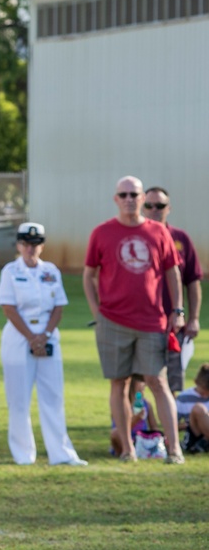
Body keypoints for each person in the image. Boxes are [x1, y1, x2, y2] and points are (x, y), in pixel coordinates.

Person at [83, 175, 185, 464]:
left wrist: (177, 309)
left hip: (152, 320)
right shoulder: (102, 232)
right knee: (119, 383)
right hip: (113, 320)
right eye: (124, 194)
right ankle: (127, 449)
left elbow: (172, 273)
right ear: (116, 199)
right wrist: (97, 312)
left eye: (134, 194)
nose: (129, 199)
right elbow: (88, 274)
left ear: (143, 199)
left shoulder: (158, 232)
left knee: (157, 381)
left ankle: (174, 447)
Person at [0, 223, 86, 466]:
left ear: (42, 246)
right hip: (18, 337)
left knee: (53, 397)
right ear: (18, 245)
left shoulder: (51, 271)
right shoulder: (10, 271)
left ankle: (62, 453)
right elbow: (8, 308)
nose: (30, 248)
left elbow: (59, 305)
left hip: (48, 336)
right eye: (25, 243)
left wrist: (44, 335)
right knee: (18, 398)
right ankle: (23, 455)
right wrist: (31, 337)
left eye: (35, 244)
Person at [142, 186, 202, 392]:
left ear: (169, 208)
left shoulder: (180, 239)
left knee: (172, 378)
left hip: (172, 324)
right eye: (148, 205)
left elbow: (193, 282)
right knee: (137, 379)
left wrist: (192, 318)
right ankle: (136, 422)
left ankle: (172, 421)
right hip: (139, 321)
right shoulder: (134, 239)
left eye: (160, 205)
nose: (154, 210)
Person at [177, 363, 209, 453]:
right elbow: (173, 425)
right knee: (198, 409)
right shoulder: (183, 398)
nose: (206, 395)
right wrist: (186, 425)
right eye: (203, 391)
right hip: (195, 435)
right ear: (196, 382)